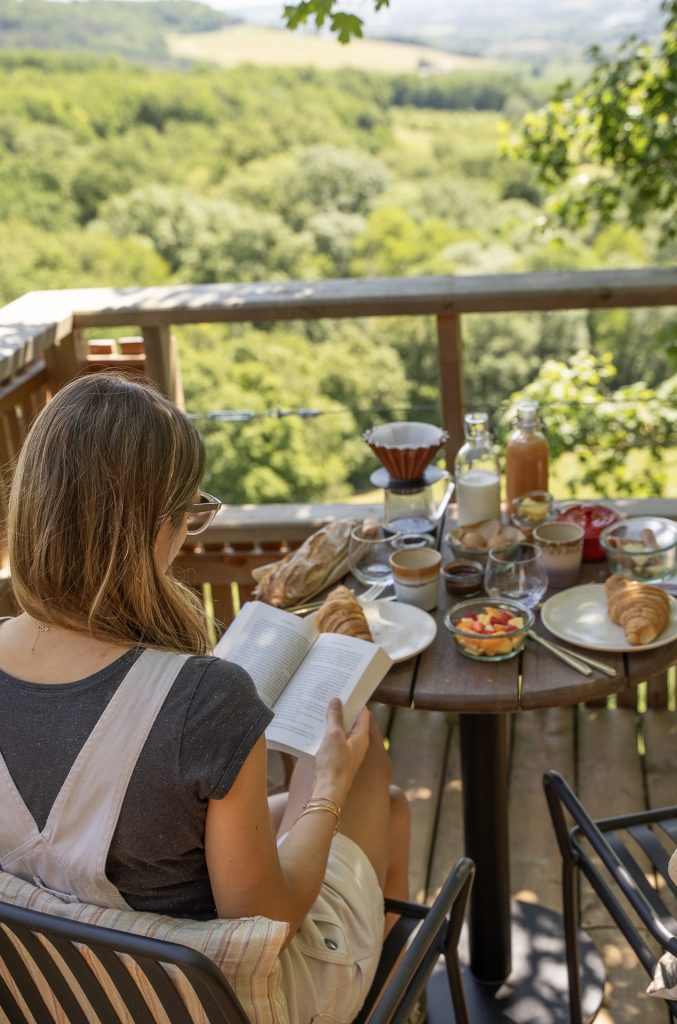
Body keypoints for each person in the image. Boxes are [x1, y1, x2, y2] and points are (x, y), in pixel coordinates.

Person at [0, 372, 411, 1023]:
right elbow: (265, 919)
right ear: (152, 527)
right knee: (368, 776)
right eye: (190, 514)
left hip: (58, 996)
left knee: (381, 805)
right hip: (211, 1001)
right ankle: (390, 1001)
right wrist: (324, 785)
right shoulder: (204, 698)